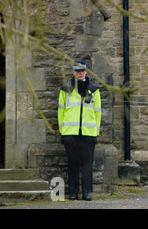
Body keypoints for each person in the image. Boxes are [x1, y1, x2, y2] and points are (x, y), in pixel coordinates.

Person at [57, 60, 101, 201]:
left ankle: (86, 193)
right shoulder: (66, 89)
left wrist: (96, 132)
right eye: (77, 71)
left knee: (87, 166)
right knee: (73, 165)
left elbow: (98, 112)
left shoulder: (94, 89)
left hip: (88, 134)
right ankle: (73, 193)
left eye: (82, 71)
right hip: (71, 133)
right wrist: (62, 131)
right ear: (73, 72)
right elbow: (61, 111)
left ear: (86, 72)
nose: (80, 73)